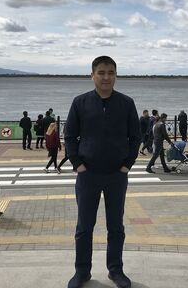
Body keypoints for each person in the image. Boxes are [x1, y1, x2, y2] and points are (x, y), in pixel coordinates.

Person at [65, 56, 141, 288]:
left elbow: (136, 137)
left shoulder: (126, 103)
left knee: (115, 226)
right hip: (88, 174)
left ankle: (115, 270)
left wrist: (127, 165)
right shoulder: (80, 103)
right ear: (92, 75)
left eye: (110, 73)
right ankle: (82, 271)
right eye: (101, 72)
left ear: (116, 75)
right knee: (84, 227)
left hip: (116, 175)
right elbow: (70, 136)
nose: (106, 77)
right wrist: (78, 164)